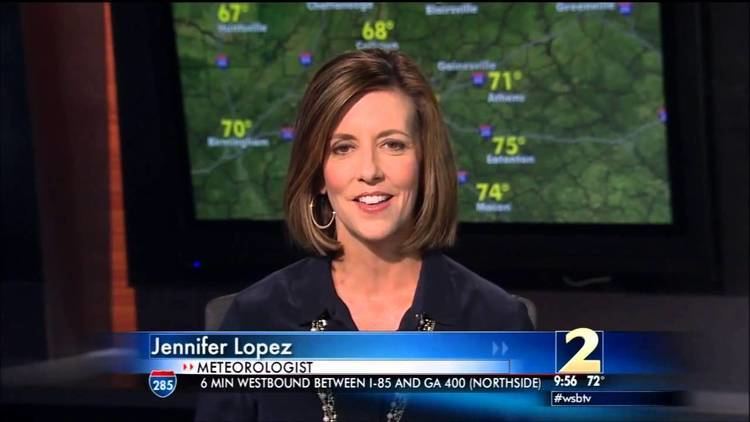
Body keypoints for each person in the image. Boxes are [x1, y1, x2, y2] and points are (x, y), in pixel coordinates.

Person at [195, 49, 533, 422]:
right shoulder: (255, 321)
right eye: (343, 148)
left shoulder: (496, 321)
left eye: (393, 144)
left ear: (423, 164)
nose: (370, 170)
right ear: (318, 173)